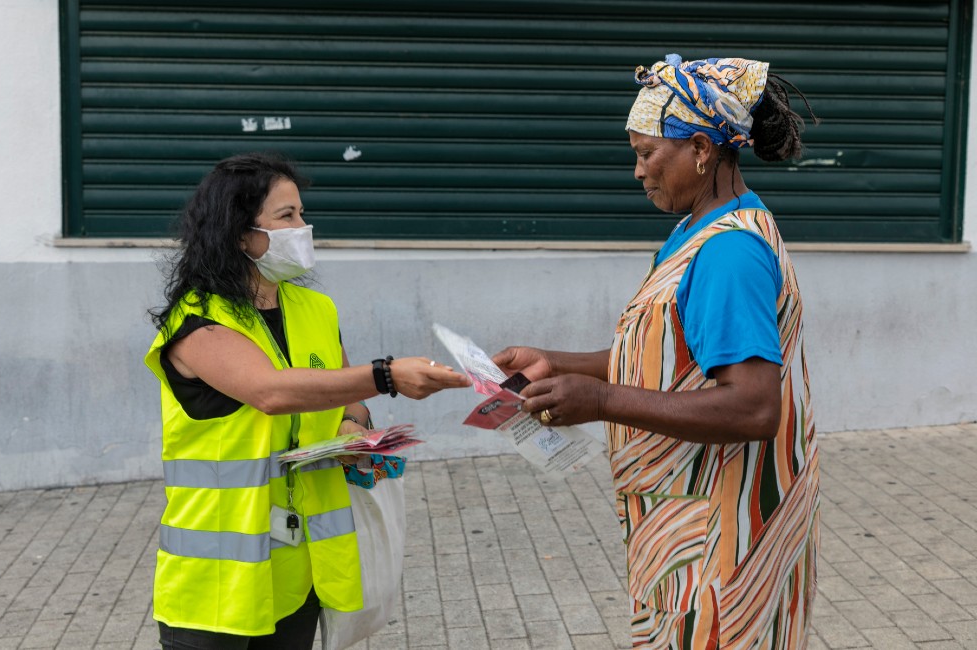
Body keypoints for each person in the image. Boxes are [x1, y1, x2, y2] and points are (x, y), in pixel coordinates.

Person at [494, 55, 820, 648]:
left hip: (722, 548)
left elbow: (753, 409)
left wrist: (599, 399)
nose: (638, 172)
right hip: (685, 528)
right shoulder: (695, 228)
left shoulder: (728, 253)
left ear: (700, 147)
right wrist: (556, 364)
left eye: (647, 154)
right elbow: (667, 358)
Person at [144, 152, 470, 650]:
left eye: (301, 213)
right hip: (217, 585)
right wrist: (387, 374)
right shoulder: (197, 322)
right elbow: (271, 391)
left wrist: (354, 426)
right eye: (286, 216)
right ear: (239, 233)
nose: (303, 226)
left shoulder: (315, 308)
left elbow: (346, 397)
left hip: (300, 571)